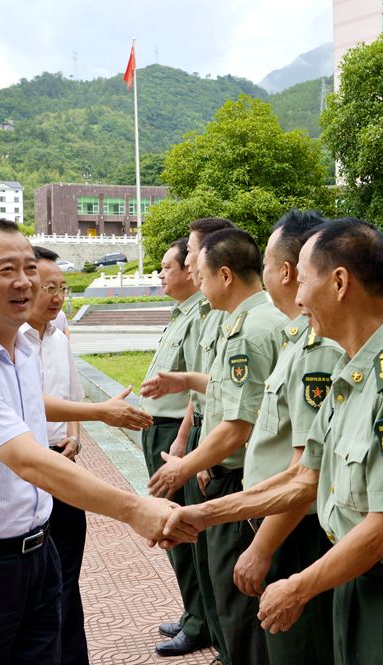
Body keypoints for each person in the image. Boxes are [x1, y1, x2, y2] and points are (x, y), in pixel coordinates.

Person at [0, 219, 188, 664]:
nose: (24, 282)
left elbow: (36, 410)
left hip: (36, 557)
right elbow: (28, 459)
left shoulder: (21, 353)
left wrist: (95, 413)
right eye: (6, 270)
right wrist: (135, 509)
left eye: (29, 268)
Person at [161, 219, 383, 665]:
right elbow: (303, 479)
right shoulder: (350, 372)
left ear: (339, 283)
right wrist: (201, 515)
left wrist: (298, 585)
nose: (297, 297)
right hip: (346, 573)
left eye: (304, 279)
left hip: (382, 583)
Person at [145, 228, 288, 665]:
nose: (196, 280)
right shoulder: (249, 323)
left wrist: (183, 466)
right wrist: (188, 380)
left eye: (200, 273)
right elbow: (233, 393)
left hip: (244, 481)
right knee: (230, 597)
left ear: (224, 275)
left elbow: (237, 425)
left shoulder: (248, 330)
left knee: (239, 605)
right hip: (243, 478)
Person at [237, 210, 340, 665]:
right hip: (276, 519)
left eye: (264, 263)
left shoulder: (318, 348)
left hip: (294, 529)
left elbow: (306, 472)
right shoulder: (297, 339)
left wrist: (262, 547)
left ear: (285, 271)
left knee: (297, 650)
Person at [155, 216, 237, 665]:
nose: (184, 262)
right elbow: (204, 393)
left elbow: (231, 407)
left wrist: (191, 454)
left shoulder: (226, 319)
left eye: (188, 254)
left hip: (223, 456)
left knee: (215, 557)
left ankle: (212, 632)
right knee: (203, 556)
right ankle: (203, 621)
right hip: (201, 443)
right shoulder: (209, 316)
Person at [138, 237, 212, 657]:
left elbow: (197, 387)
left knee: (182, 530)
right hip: (159, 427)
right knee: (171, 526)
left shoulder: (200, 314)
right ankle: (192, 613)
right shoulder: (182, 313)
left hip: (174, 432)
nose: (162, 274)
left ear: (190, 269)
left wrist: (183, 441)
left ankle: (200, 621)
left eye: (168, 266)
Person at [20, 246, 89, 665]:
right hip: (26, 472)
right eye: (50, 288)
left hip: (64, 466)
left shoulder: (59, 337)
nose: (58, 296)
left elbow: (71, 397)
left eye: (63, 288)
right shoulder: (12, 344)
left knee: (67, 579)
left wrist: (76, 438)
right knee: (35, 584)